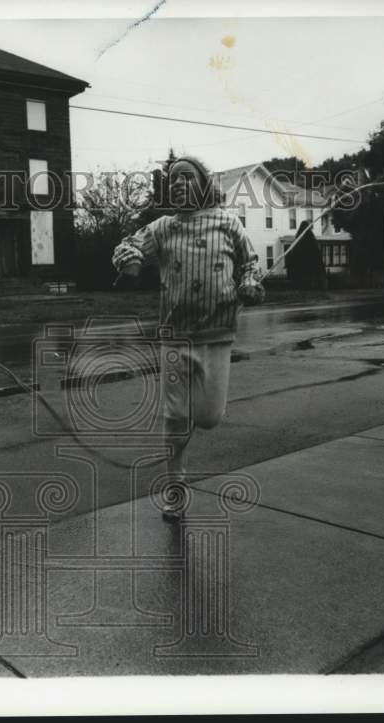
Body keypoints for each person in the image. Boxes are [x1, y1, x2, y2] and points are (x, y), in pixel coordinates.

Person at [112, 156, 265, 521]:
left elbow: (251, 264)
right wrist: (129, 261)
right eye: (173, 179)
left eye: (186, 177)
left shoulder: (228, 224)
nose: (178, 183)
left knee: (209, 417)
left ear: (203, 183)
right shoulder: (164, 227)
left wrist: (249, 284)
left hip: (216, 335)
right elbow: (127, 244)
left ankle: (188, 421)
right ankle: (175, 488)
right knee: (174, 416)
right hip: (174, 337)